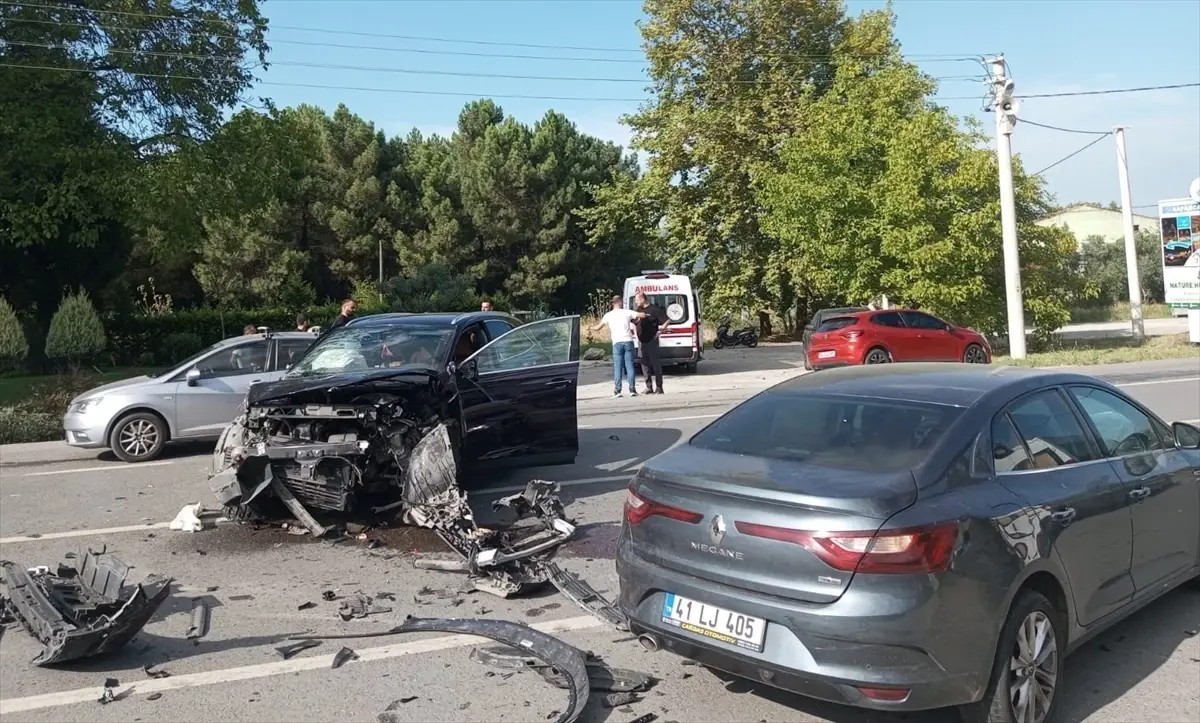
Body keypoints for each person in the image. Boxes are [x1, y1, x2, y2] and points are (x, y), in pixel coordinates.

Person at [589, 295, 641, 397]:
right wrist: (640, 318)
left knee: (618, 367)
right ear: (620, 302)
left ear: (612, 303)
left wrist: (590, 327)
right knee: (629, 366)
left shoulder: (608, 315)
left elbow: (598, 328)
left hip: (617, 342)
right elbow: (640, 315)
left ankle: (617, 390)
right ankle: (632, 390)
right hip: (628, 341)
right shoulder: (627, 312)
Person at [634, 292, 669, 394]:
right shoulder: (638, 310)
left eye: (637, 300)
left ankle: (659, 387)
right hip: (642, 341)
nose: (636, 302)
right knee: (644, 364)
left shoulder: (654, 309)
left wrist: (661, 330)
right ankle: (649, 387)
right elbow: (634, 321)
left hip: (652, 341)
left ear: (642, 299)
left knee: (655, 364)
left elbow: (667, 320)